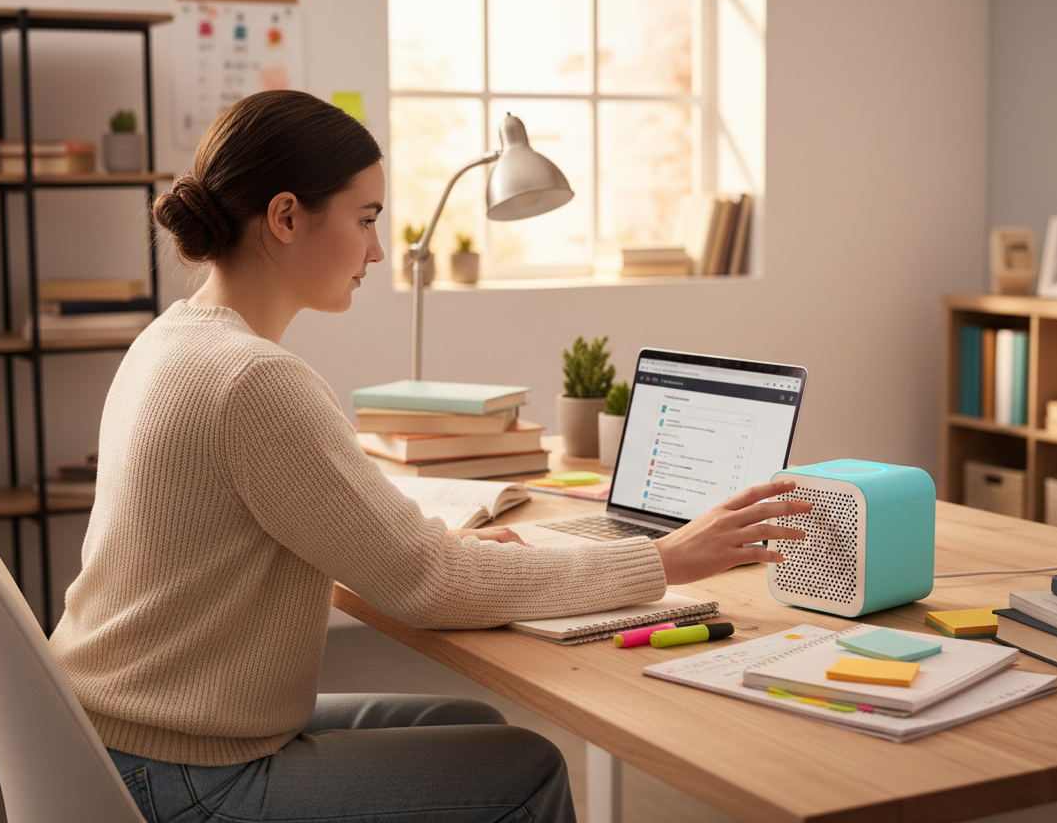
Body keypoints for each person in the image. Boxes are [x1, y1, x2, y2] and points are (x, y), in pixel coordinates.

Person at [47, 89, 812, 823]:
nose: (378, 251)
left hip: (111, 732)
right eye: (366, 218)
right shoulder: (255, 380)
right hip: (183, 773)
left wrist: (432, 551)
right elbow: (428, 587)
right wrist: (666, 561)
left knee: (465, 720)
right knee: (524, 773)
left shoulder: (173, 338)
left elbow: (367, 546)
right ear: (286, 217)